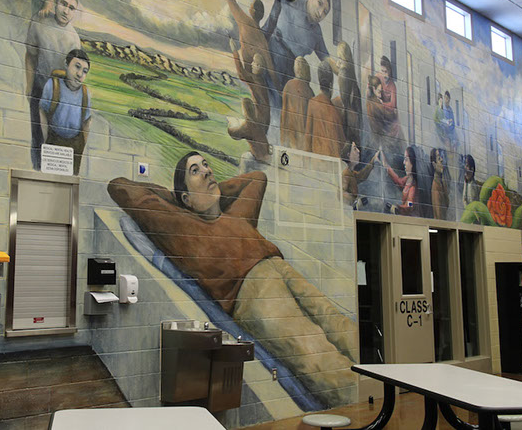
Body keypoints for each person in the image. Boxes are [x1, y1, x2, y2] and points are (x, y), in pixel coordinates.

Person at [108, 152, 356, 406]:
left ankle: (378, 386)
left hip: (278, 266)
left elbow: (257, 178)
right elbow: (120, 187)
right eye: (195, 171)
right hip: (252, 290)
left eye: (206, 165)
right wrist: (181, 200)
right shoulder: (182, 226)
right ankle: (362, 401)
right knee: (313, 350)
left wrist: (208, 191)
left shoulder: (238, 213)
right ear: (185, 199)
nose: (207, 171)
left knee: (338, 324)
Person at [26, 0, 82, 167]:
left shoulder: (74, 39)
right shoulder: (39, 23)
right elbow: (31, 56)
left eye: (71, 8)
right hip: (39, 86)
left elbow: (75, 76)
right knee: (37, 136)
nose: (66, 11)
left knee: (54, 140)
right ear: (55, 3)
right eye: (63, 4)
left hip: (59, 94)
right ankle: (36, 169)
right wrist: (28, 87)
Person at [217, 0, 280, 91]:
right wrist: (278, 88)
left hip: (248, 76)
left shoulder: (245, 22)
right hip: (256, 80)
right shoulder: (262, 39)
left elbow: (231, 1)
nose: (249, 7)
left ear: (253, 10)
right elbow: (271, 68)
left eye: (250, 5)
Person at [33, 49, 92, 174]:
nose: (80, 74)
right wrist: (45, 140)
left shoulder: (85, 94)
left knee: (72, 179)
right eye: (77, 67)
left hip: (75, 145)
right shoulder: (53, 85)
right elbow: (42, 112)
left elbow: (87, 122)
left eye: (84, 71)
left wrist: (82, 148)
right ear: (66, 64)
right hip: (54, 141)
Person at [227, 51, 272, 163]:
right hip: (264, 122)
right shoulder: (261, 81)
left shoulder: (255, 79)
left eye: (254, 62)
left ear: (259, 66)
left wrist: (235, 53)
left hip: (260, 121)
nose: (251, 64)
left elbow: (241, 74)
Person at [305, 60, 346, 158]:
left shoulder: (312, 103)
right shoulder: (335, 112)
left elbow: (308, 138)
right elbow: (342, 145)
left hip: (316, 161)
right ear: (331, 85)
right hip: (332, 163)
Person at [281, 57, 314, 151]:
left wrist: (283, 137)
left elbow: (284, 113)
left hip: (290, 135)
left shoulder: (288, 85)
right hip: (303, 138)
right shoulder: (309, 91)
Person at [366, 75, 404, 157]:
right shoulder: (375, 103)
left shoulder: (371, 101)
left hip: (378, 133)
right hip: (381, 135)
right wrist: (394, 113)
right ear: (373, 89)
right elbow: (387, 115)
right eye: (379, 91)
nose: (380, 95)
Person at [334, 42, 362, 149]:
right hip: (355, 124)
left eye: (339, 58)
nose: (337, 62)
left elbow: (344, 101)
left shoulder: (343, 73)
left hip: (347, 122)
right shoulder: (351, 73)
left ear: (343, 57)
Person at [381, 146, 418, 216]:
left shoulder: (413, 188)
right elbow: (398, 181)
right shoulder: (407, 179)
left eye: (406, 160)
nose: (404, 162)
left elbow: (410, 205)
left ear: (412, 163)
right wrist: (386, 166)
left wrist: (396, 208)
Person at [342, 142, 378, 209]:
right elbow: (341, 193)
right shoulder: (346, 174)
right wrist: (355, 202)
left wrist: (373, 160)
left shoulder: (351, 173)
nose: (358, 151)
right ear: (349, 155)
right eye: (355, 149)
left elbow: (361, 176)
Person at [430, 148, 449, 220]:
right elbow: (438, 215)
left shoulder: (441, 183)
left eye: (442, 157)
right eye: (438, 158)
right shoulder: (436, 186)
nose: (441, 160)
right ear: (434, 164)